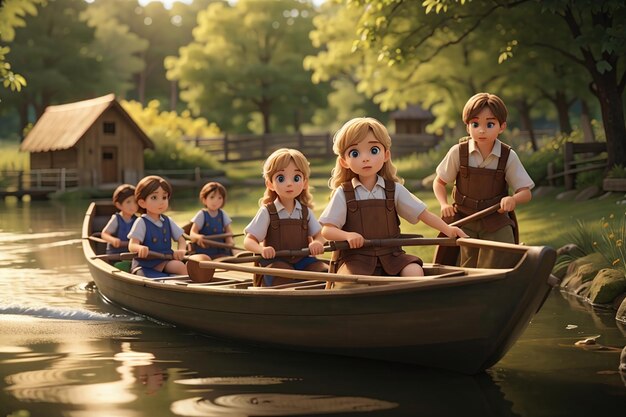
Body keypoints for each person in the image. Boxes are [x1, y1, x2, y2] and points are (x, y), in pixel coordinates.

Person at [319, 117, 467, 279]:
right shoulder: (344, 193)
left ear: (386, 155)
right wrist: (348, 236)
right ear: (344, 161)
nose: (365, 158)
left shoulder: (393, 190)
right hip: (357, 259)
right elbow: (327, 230)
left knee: (414, 271)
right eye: (355, 153)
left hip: (392, 256)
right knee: (354, 280)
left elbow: (422, 214)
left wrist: (448, 229)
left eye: (373, 150)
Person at [433, 92, 534, 268]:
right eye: (475, 124)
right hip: (464, 218)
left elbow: (525, 192)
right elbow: (439, 182)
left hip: (495, 219)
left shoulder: (508, 156)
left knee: (505, 255)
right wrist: (443, 204)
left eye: (489, 124)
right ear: (467, 127)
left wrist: (513, 199)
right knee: (462, 261)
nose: (481, 130)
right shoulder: (458, 152)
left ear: (501, 126)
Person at [243, 148, 327, 287]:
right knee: (284, 274)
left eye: (296, 178)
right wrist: (261, 250)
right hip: (276, 262)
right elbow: (248, 241)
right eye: (281, 178)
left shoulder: (305, 212)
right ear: (270, 184)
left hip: (303, 261)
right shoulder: (267, 212)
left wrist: (317, 242)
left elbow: (320, 234)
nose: (289, 183)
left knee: (324, 273)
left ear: (305, 182)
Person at [127, 175, 187, 278]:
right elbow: (131, 245)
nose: (161, 202)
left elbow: (181, 240)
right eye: (154, 197)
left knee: (180, 266)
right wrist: (140, 248)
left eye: (164, 197)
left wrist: (181, 250)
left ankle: (189, 285)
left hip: (165, 261)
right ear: (142, 202)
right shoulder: (141, 222)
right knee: (147, 276)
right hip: (145, 265)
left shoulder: (168, 221)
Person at [188, 181, 234, 260]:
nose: (216, 201)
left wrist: (229, 242)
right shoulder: (202, 214)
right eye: (212, 197)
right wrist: (199, 237)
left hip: (221, 251)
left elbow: (229, 233)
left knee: (234, 255)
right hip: (205, 252)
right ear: (204, 199)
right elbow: (192, 233)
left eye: (220, 198)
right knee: (204, 259)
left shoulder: (222, 214)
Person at [100, 184, 138, 272]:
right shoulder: (116, 219)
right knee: (121, 266)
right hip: (115, 255)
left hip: (130, 254)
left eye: (135, 202)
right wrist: (113, 240)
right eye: (128, 202)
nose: (133, 205)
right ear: (119, 205)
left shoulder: (138, 220)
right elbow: (104, 234)